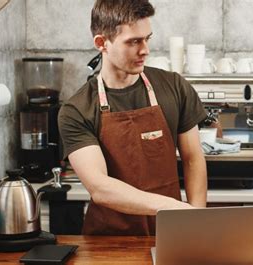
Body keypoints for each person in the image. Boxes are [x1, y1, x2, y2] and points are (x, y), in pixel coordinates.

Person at [58, 0, 207, 235]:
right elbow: (99, 187)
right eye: (133, 42)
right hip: (109, 241)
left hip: (171, 233)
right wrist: (173, 208)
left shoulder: (175, 87)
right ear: (101, 43)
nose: (145, 49)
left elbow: (192, 158)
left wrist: (196, 218)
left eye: (147, 38)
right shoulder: (77, 109)